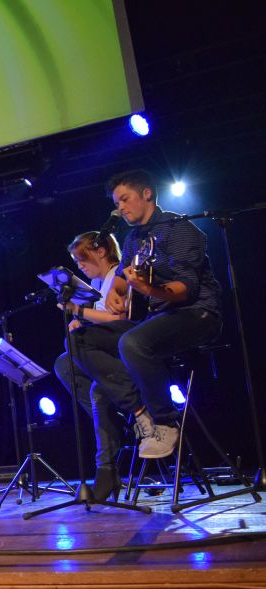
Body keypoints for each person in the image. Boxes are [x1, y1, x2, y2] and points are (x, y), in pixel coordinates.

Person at [71, 170, 222, 500]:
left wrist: (146, 288)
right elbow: (123, 278)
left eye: (125, 199)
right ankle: (141, 413)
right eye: (117, 203)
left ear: (147, 194)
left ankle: (165, 422)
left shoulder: (180, 229)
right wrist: (118, 292)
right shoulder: (132, 239)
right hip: (159, 317)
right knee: (78, 341)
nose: (120, 208)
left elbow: (185, 289)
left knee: (132, 342)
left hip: (196, 314)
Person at [52, 230, 127, 495]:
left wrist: (79, 311)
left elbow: (119, 319)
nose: (80, 266)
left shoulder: (118, 276)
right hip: (104, 348)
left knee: (98, 391)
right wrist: (81, 320)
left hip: (121, 351)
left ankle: (106, 466)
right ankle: (113, 421)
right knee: (64, 365)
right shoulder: (97, 283)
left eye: (82, 259)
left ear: (101, 252)